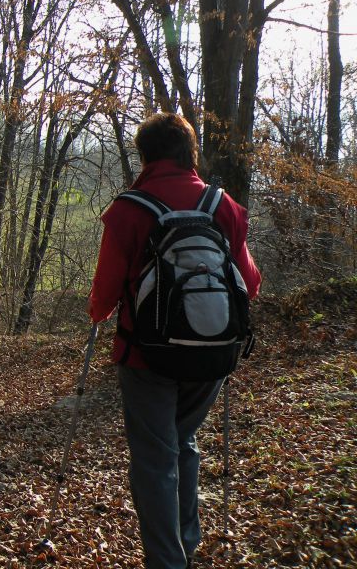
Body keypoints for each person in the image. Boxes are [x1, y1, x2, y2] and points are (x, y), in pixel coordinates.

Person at [87, 113, 261, 569]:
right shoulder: (223, 207)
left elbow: (103, 297)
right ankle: (187, 540)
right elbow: (251, 283)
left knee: (154, 456)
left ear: (145, 155)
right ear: (190, 152)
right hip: (212, 353)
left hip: (145, 357)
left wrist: (99, 314)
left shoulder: (129, 208)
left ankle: (168, 562)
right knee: (182, 441)